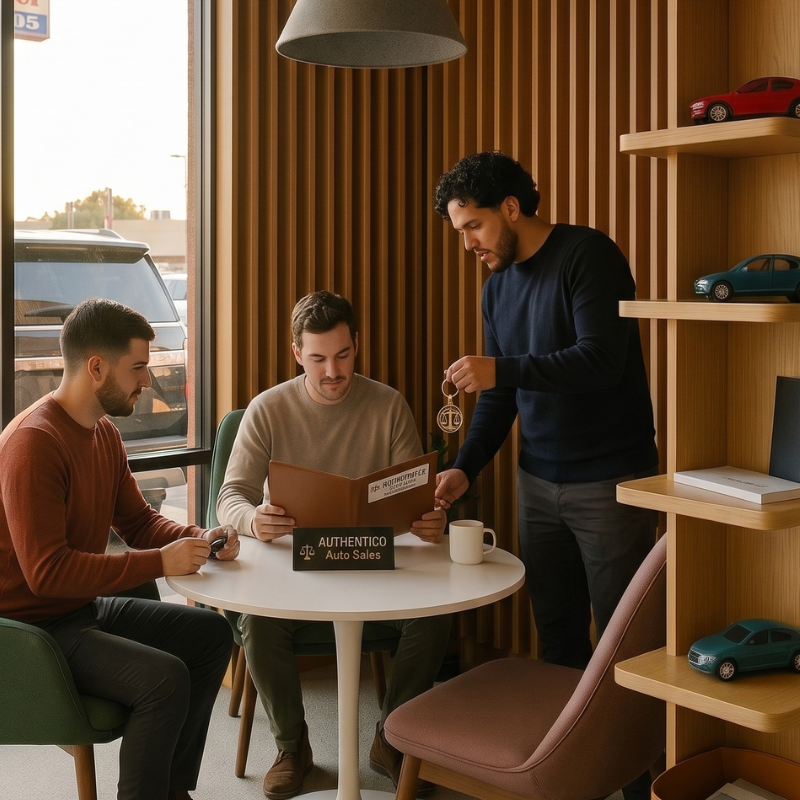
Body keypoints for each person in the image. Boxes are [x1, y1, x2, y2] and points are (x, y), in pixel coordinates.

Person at [0, 298, 240, 800]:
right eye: (138, 368)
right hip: (28, 633)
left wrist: (196, 538)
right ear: (96, 367)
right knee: (164, 680)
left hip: (77, 611)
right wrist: (158, 563)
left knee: (212, 634)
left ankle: (171, 791)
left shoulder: (102, 433)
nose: (148, 381)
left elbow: (137, 521)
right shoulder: (33, 444)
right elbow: (46, 573)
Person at [217, 290, 451, 800]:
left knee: (435, 614)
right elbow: (228, 497)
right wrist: (254, 520)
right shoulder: (268, 409)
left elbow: (413, 494)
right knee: (258, 620)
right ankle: (292, 745)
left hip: (375, 565)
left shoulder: (387, 405)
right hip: (294, 572)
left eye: (343, 356)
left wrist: (429, 519)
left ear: (357, 345)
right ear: (297, 352)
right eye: (318, 358)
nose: (332, 372)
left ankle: (391, 736)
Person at [433, 151, 659, 670]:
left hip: (611, 481)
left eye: (474, 226)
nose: (468, 244)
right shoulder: (497, 289)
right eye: (460, 231)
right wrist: (465, 468)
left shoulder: (589, 254)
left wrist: (502, 369)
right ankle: (571, 753)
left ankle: (636, 754)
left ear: (511, 207)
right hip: (536, 483)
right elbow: (499, 394)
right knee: (557, 638)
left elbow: (600, 360)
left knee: (626, 643)